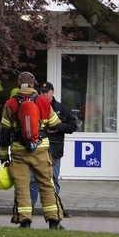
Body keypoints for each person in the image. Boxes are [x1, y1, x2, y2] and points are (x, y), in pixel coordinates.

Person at [0, 72, 63, 229]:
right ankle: (53, 221)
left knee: (22, 187)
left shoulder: (10, 104)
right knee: (47, 184)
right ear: (34, 84)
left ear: (18, 84)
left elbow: (5, 133)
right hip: (40, 150)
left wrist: (3, 157)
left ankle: (24, 220)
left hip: (19, 152)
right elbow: (55, 124)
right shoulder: (43, 101)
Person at [29, 82, 78, 215]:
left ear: (53, 92)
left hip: (54, 150)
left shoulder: (62, 109)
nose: (44, 94)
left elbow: (73, 126)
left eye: (47, 91)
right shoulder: (33, 106)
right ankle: (29, 209)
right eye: (42, 92)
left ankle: (55, 210)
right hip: (37, 150)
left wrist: (57, 127)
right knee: (33, 180)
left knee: (54, 180)